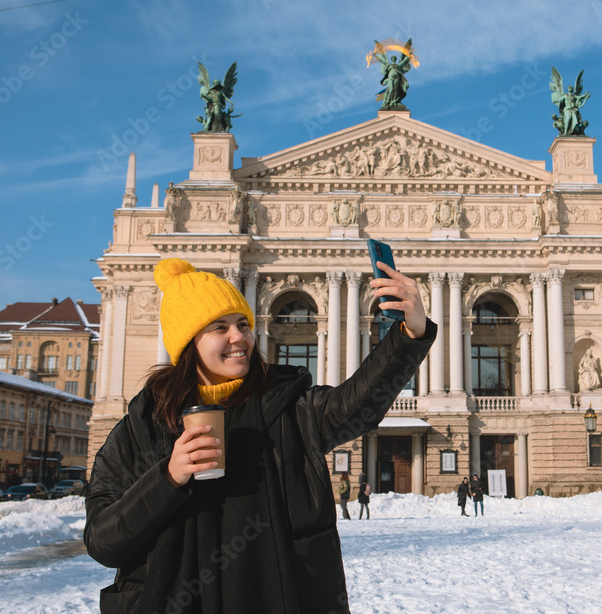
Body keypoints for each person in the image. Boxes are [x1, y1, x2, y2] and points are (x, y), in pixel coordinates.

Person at [83, 257, 434, 613]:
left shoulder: (288, 407)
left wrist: (412, 334)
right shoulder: (137, 429)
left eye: (243, 324)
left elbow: (359, 405)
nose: (240, 337)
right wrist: (168, 478)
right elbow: (103, 542)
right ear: (189, 343)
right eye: (220, 327)